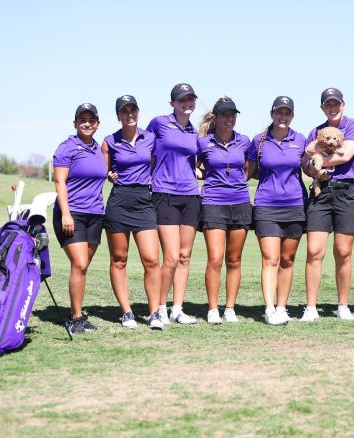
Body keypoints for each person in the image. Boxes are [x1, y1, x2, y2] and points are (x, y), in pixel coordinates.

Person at [300, 88, 354, 321]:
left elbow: (345, 156)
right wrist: (313, 167)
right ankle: (311, 307)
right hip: (321, 192)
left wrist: (318, 159)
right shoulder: (315, 131)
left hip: (347, 191)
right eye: (328, 104)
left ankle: (343, 305)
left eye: (336, 104)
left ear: (343, 105)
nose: (332, 108)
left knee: (343, 252)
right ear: (322, 108)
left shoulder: (353, 126)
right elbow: (306, 164)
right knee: (314, 251)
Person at [102, 95, 162, 330]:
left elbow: (155, 164)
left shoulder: (150, 138)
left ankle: (155, 312)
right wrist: (108, 175)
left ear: (138, 112)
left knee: (151, 259)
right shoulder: (109, 141)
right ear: (118, 115)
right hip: (119, 201)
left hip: (144, 200)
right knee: (119, 259)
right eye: (124, 111)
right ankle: (127, 312)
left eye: (133, 110)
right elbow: (103, 171)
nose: (129, 114)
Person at [246, 96, 307, 326]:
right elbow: (248, 171)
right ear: (272, 114)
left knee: (287, 260)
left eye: (287, 113)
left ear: (292, 116)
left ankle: (282, 307)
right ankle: (269, 309)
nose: (283, 117)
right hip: (267, 205)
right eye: (279, 112)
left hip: (295, 205)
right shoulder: (259, 141)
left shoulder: (300, 140)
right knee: (270, 259)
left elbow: (308, 168)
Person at [146, 83, 201, 325]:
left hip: (190, 195)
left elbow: (196, 161)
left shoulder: (194, 132)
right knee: (170, 257)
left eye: (190, 99)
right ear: (172, 103)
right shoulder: (159, 123)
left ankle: (177, 309)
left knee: (185, 255)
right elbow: (144, 151)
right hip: (164, 192)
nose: (187, 103)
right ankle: (158, 308)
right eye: (182, 99)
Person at [52, 103, 106, 334]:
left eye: (91, 120)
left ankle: (80, 315)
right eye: (82, 120)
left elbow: (102, 174)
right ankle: (75, 318)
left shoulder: (99, 148)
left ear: (97, 123)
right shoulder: (67, 147)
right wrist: (65, 213)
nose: (87, 123)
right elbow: (60, 182)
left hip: (95, 214)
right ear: (75, 123)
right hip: (71, 214)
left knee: (82, 268)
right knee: (80, 263)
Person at [197, 97, 252, 325]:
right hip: (213, 202)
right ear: (216, 118)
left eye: (233, 115)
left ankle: (230, 308)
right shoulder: (203, 143)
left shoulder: (244, 141)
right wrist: (199, 173)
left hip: (239, 202)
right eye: (225, 115)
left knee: (234, 259)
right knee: (216, 258)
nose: (230, 119)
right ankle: (212, 309)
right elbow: (192, 165)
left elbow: (248, 170)